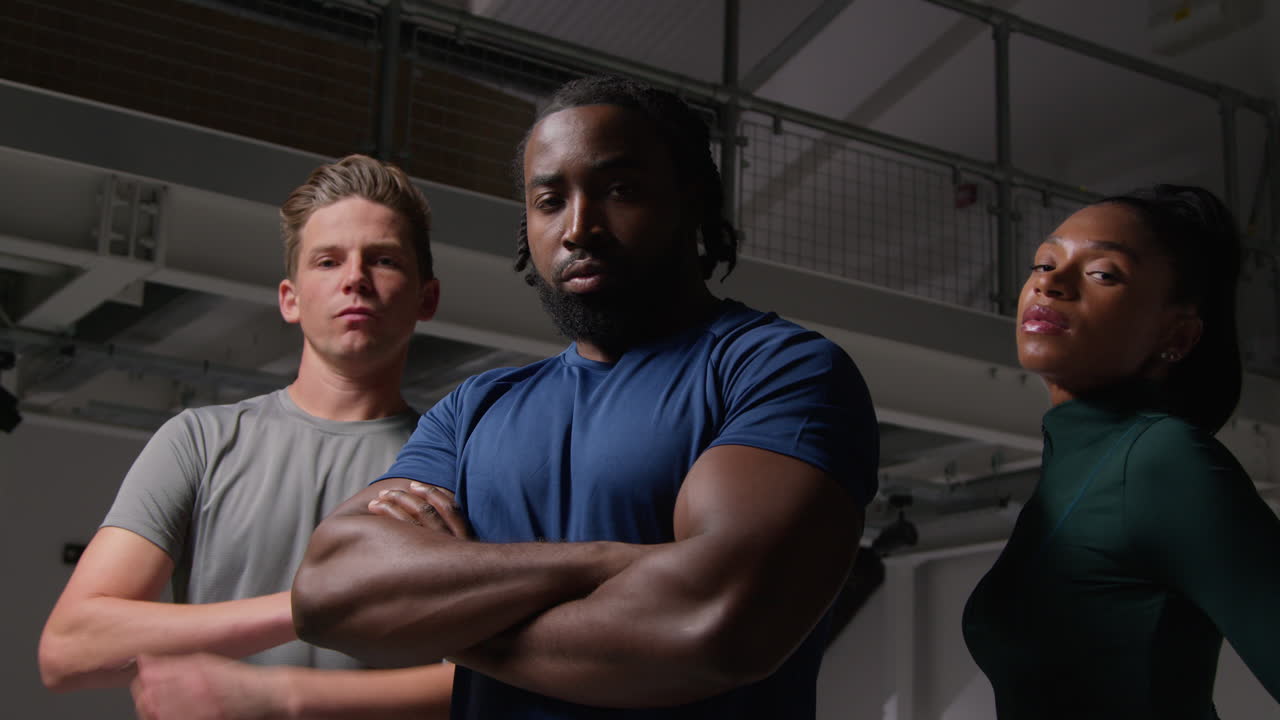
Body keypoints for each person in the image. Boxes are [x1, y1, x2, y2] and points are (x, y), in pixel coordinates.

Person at [290, 75, 880, 719]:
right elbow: (329, 594)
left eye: (620, 190)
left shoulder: (780, 370)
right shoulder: (474, 407)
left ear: (691, 199)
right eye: (549, 200)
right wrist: (604, 563)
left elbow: (712, 629)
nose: (578, 228)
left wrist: (434, 617)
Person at [39, 155, 454, 719]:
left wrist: (278, 698)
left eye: (382, 260)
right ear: (290, 298)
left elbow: (489, 681)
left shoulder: (459, 466)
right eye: (328, 261)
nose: (354, 277)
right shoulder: (198, 443)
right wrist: (308, 607)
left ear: (426, 298)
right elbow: (68, 650)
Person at [963, 185, 1280, 718]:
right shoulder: (1078, 467)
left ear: (1176, 334)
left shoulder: (1162, 459)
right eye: (1044, 262)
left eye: (1103, 273)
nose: (1050, 282)